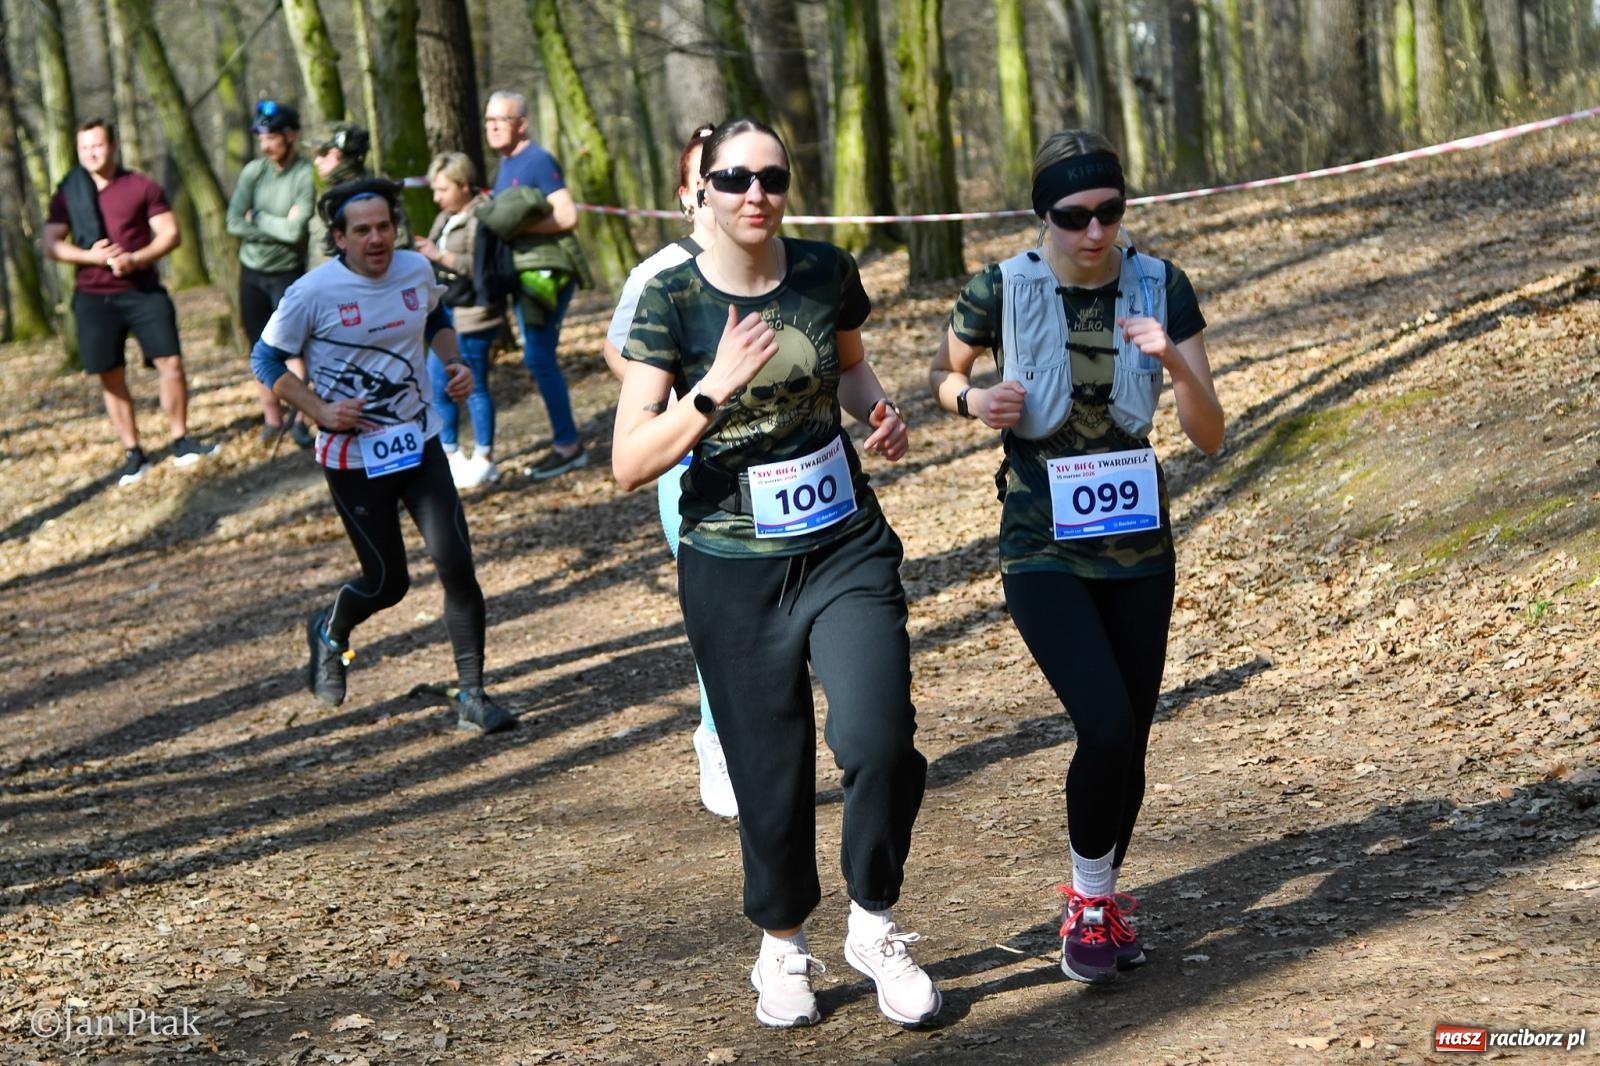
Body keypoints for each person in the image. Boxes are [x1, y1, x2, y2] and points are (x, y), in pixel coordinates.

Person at [613, 117, 938, 1030]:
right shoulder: (669, 299)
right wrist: (710, 387)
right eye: (733, 178)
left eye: (771, 178)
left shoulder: (826, 274)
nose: (755, 193)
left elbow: (851, 374)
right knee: (771, 769)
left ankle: (874, 922)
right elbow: (630, 461)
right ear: (702, 192)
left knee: (878, 740)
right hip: (731, 565)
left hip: (842, 543)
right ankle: (784, 942)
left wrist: (881, 415)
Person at [927, 130, 1224, 984]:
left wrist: (1176, 366)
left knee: (1127, 738)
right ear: (1043, 216)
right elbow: (944, 376)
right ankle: (1089, 903)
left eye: (1109, 212)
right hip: (1040, 544)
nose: (1094, 233)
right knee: (1102, 723)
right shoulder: (1000, 286)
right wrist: (974, 398)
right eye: (1074, 216)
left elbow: (1209, 435)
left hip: (1138, 548)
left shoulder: (1162, 284)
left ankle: (1102, 894)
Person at [249, 178, 515, 735]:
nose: (376, 239)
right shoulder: (311, 293)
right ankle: (330, 631)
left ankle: (473, 693)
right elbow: (266, 361)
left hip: (419, 444)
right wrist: (318, 409)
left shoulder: (416, 270)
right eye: (362, 230)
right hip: (353, 458)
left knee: (456, 565)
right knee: (387, 582)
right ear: (340, 238)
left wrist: (456, 363)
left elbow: (437, 320)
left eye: (384, 227)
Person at [599, 123, 734, 819]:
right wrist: (669, 395)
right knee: (718, 609)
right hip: (686, 461)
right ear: (688, 195)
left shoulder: (778, 264)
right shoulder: (655, 274)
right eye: (710, 178)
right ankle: (716, 737)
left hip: (773, 465)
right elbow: (617, 350)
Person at [44, 119, 217, 485]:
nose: (91, 153)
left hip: (142, 289)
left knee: (170, 362)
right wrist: (91, 257)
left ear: (114, 146)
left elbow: (170, 234)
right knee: (110, 373)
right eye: (84, 147)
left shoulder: (141, 186)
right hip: (92, 296)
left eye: (98, 145)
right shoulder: (68, 192)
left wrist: (136, 259)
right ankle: (133, 452)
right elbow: (51, 244)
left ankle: (180, 439)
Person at [483, 89, 588, 480]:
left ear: (521, 124)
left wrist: (519, 226)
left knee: (539, 357)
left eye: (501, 120)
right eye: (489, 121)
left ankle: (568, 446)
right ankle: (565, 441)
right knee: (537, 356)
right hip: (524, 272)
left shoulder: (537, 159)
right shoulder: (506, 163)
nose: (493, 127)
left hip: (546, 272)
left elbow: (567, 215)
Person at [228, 99, 316, 446]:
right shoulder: (253, 172)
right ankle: (272, 419)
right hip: (251, 271)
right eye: (260, 137)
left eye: (271, 137)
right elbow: (234, 221)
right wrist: (276, 224)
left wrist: (259, 218)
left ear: (290, 135)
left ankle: (301, 417)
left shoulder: (305, 174)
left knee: (293, 348)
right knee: (259, 346)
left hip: (286, 272)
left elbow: (297, 232)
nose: (264, 144)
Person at [416, 152, 502, 489]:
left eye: (442, 189)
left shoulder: (481, 215)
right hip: (446, 310)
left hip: (475, 313)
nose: (436, 198)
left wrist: (440, 256)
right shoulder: (444, 218)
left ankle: (485, 457)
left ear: (464, 186)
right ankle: (450, 453)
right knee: (438, 384)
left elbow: (477, 266)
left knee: (475, 384)